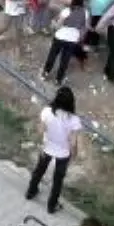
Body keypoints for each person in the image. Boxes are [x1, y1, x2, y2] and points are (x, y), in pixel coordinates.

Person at [26, 86, 82, 214]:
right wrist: (74, 155)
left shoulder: (46, 112)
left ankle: (30, 192)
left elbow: (40, 130)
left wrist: (41, 143)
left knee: (38, 172)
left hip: (47, 148)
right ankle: (52, 206)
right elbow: (73, 142)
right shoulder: (74, 120)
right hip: (63, 153)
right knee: (58, 181)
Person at [43, 0, 87, 85]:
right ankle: (58, 79)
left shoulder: (66, 11)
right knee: (65, 60)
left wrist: (53, 23)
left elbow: (58, 25)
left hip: (60, 37)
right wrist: (80, 37)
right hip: (72, 39)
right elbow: (84, 27)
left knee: (53, 55)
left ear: (73, 1)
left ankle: (46, 73)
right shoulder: (85, 12)